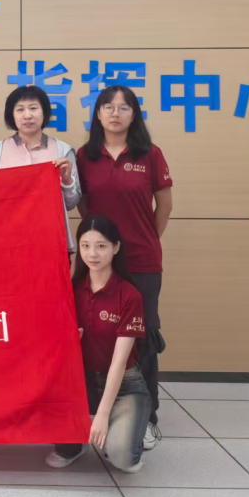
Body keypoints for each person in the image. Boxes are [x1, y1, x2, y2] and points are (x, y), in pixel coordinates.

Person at [76, 85, 172, 451]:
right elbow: (84, 205)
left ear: (135, 114)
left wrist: (144, 240)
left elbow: (164, 206)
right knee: (96, 331)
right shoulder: (85, 156)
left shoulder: (150, 154)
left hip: (142, 260)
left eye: (124, 107)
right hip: (97, 259)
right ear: (98, 114)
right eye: (108, 107)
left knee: (142, 337)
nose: (115, 113)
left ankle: (147, 419)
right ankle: (99, 407)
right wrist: (102, 245)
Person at [46, 214, 149, 474]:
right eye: (85, 245)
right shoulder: (70, 290)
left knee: (122, 458)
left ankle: (127, 430)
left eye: (101, 246)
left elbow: (118, 363)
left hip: (123, 383)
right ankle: (76, 445)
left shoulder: (129, 295)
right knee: (61, 443)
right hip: (81, 381)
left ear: (116, 248)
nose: (92, 254)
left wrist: (102, 415)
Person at [0, 85, 81, 254]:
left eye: (33, 108)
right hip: (7, 242)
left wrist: (66, 180)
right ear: (12, 115)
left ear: (44, 113)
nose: (27, 115)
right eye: (20, 109)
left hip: (50, 240)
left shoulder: (63, 151)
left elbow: (71, 204)